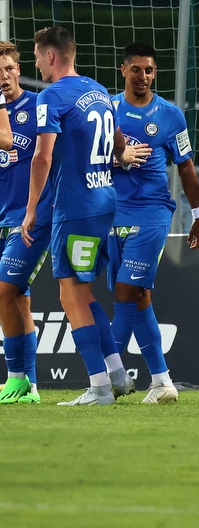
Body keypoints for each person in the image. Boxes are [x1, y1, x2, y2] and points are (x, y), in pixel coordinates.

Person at [22, 26, 130, 406]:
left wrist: (32, 207)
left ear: (51, 56)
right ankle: (117, 373)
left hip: (76, 207)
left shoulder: (51, 96)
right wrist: (119, 157)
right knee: (82, 291)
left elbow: (42, 155)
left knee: (69, 293)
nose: (35, 63)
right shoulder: (99, 90)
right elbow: (118, 138)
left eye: (36, 56)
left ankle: (99, 388)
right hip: (105, 201)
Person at [109, 42, 199, 404]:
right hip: (112, 213)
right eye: (136, 69)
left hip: (152, 213)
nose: (144, 76)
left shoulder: (170, 115)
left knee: (125, 292)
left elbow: (186, 167)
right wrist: (119, 157)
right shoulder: (107, 110)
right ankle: (162, 381)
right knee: (138, 298)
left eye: (149, 70)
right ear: (123, 70)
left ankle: (104, 382)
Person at [0, 40, 45, 404]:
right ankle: (29, 386)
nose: (3, 76)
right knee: (19, 300)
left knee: (4, 292)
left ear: (19, 68)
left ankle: (16, 378)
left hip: (27, 219)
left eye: (9, 68)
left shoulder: (37, 105)